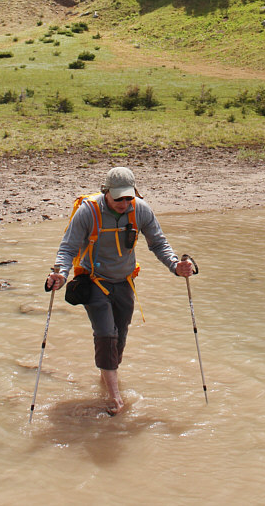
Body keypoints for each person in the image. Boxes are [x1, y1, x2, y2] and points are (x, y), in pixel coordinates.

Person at [46, 166, 194, 415]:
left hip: (124, 282)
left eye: (128, 197)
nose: (124, 203)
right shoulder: (88, 212)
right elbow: (68, 248)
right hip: (93, 281)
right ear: (106, 193)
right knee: (105, 333)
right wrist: (60, 275)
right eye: (119, 199)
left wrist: (175, 266)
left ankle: (106, 380)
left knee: (119, 337)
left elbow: (158, 242)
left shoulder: (141, 209)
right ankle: (115, 398)